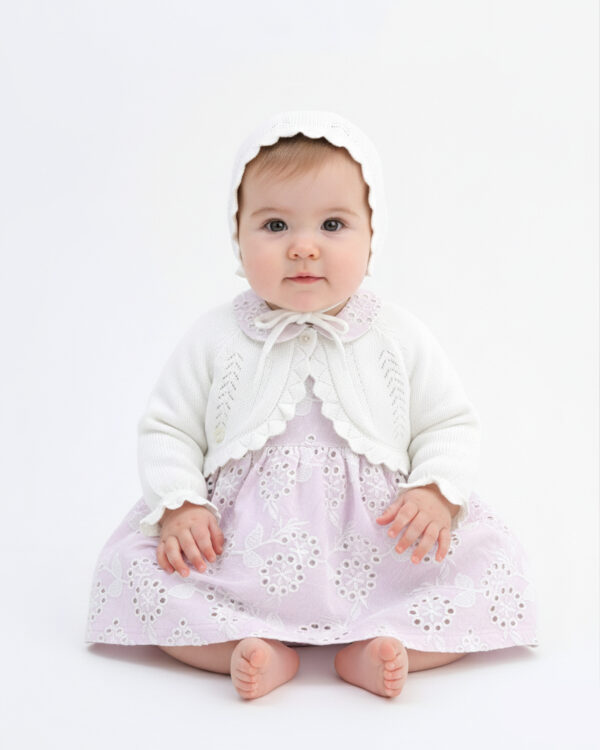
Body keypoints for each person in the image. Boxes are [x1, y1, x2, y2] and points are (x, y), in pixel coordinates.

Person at [85, 110, 539, 700]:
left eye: (332, 224)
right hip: (239, 551)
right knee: (134, 568)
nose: (303, 248)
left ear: (372, 237)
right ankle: (246, 647)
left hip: (379, 546)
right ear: (237, 235)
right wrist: (181, 505)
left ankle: (381, 646)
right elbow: (168, 428)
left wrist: (434, 491)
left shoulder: (397, 334)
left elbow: (448, 422)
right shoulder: (217, 336)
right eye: (275, 225)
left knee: (493, 561)